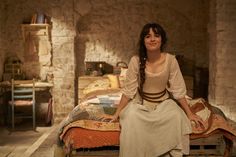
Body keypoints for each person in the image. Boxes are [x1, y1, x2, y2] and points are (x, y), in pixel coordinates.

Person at [102, 23, 204, 157]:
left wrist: (189, 113)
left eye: (156, 35)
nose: (152, 39)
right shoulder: (135, 61)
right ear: (143, 41)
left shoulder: (171, 60)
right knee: (130, 116)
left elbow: (178, 90)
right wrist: (116, 114)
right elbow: (128, 92)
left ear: (162, 40)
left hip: (163, 104)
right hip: (141, 104)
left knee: (177, 116)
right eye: (148, 36)